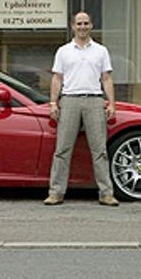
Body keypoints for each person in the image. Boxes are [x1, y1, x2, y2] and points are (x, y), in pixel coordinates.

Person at [44, 11, 119, 206]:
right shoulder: (63, 51)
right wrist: (53, 102)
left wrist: (111, 103)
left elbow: (107, 78)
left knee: (99, 150)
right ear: (73, 26)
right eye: (79, 24)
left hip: (94, 100)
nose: (83, 27)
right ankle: (56, 192)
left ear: (91, 25)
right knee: (62, 149)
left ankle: (106, 193)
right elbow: (57, 78)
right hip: (69, 101)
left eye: (86, 23)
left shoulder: (101, 51)